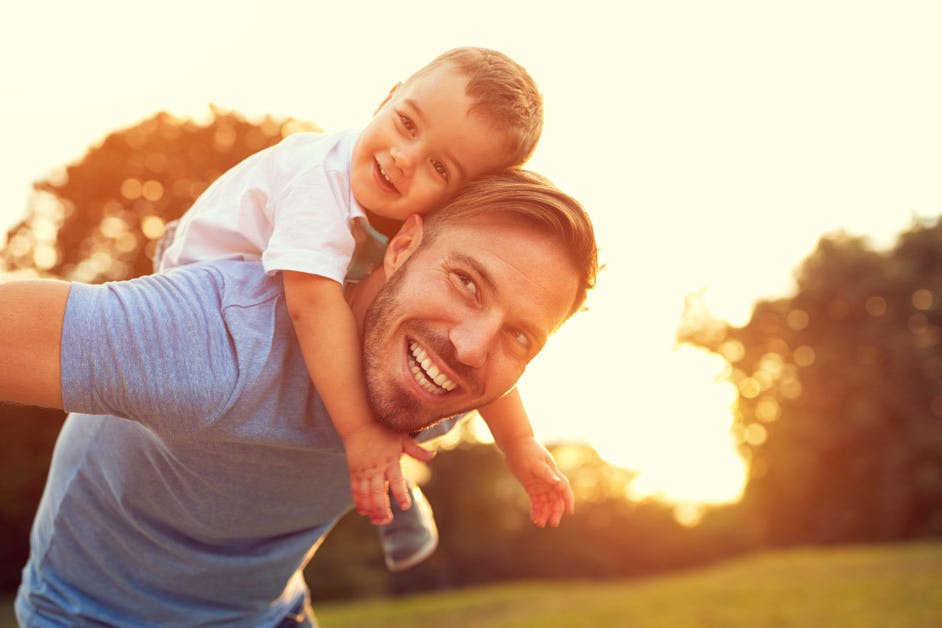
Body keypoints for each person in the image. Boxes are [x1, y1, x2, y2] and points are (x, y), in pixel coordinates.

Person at [1, 169, 598, 626]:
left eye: (518, 335)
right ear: (401, 246)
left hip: (265, 611)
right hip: (93, 613)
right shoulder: (219, 340)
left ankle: (401, 503)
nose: (470, 348)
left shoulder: (443, 382)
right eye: (465, 282)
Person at [154, 46, 567, 571]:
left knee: (415, 356)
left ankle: (392, 494)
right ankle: (388, 490)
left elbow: (479, 330)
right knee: (354, 385)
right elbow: (310, 304)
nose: (404, 157)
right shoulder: (316, 180)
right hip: (206, 298)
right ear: (389, 97)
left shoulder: (403, 215)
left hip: (280, 296)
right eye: (406, 123)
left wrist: (520, 442)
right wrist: (361, 433)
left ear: (457, 202)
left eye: (440, 166)